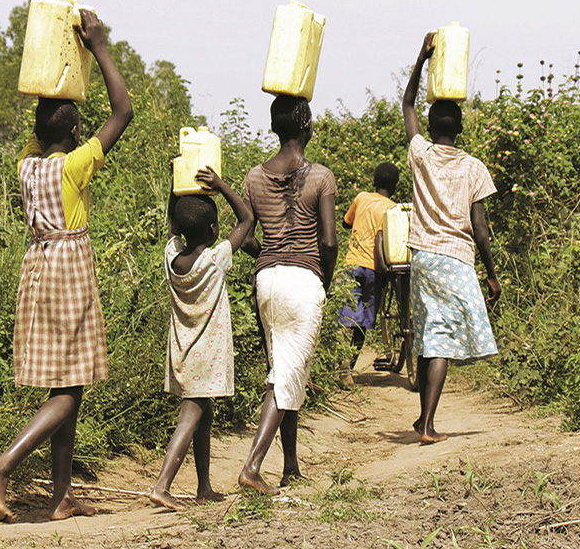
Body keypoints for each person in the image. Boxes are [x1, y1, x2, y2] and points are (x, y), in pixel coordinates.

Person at [0, 9, 133, 522]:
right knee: (70, 390)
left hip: (37, 268)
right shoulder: (75, 166)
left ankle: (61, 494)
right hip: (69, 269)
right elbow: (123, 111)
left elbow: (44, 122)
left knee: (64, 385)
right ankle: (3, 466)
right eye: (76, 120)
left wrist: (54, 65)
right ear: (74, 128)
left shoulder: (28, 161)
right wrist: (99, 48)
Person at [400, 32, 500, 444]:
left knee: (428, 333)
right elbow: (479, 229)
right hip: (455, 258)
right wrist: (492, 273)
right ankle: (427, 425)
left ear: (433, 125)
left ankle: (422, 417)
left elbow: (407, 104)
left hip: (422, 255)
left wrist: (421, 60)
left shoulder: (420, 154)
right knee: (439, 338)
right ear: (459, 127)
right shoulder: (474, 168)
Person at [237, 95, 337, 495]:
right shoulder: (321, 177)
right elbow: (328, 242)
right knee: (285, 374)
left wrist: (267, 254)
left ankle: (291, 465)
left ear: (274, 127)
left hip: (267, 281)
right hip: (302, 280)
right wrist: (323, 280)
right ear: (308, 125)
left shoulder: (254, 177)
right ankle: (252, 465)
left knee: (285, 369)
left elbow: (244, 232)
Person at [149, 167, 253, 511]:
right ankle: (162, 485)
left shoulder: (172, 259)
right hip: (206, 354)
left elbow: (171, 224)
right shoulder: (215, 259)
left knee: (203, 415)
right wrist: (221, 185)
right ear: (212, 229)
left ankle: (204, 486)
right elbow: (247, 220)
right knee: (190, 416)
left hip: (182, 351)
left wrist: (177, 184)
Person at [338, 163, 399, 365]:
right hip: (374, 270)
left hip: (352, 264)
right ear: (396, 186)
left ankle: (339, 363)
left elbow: (347, 222)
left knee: (347, 316)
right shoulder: (392, 209)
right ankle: (350, 360)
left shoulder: (361, 197)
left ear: (373, 181)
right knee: (363, 321)